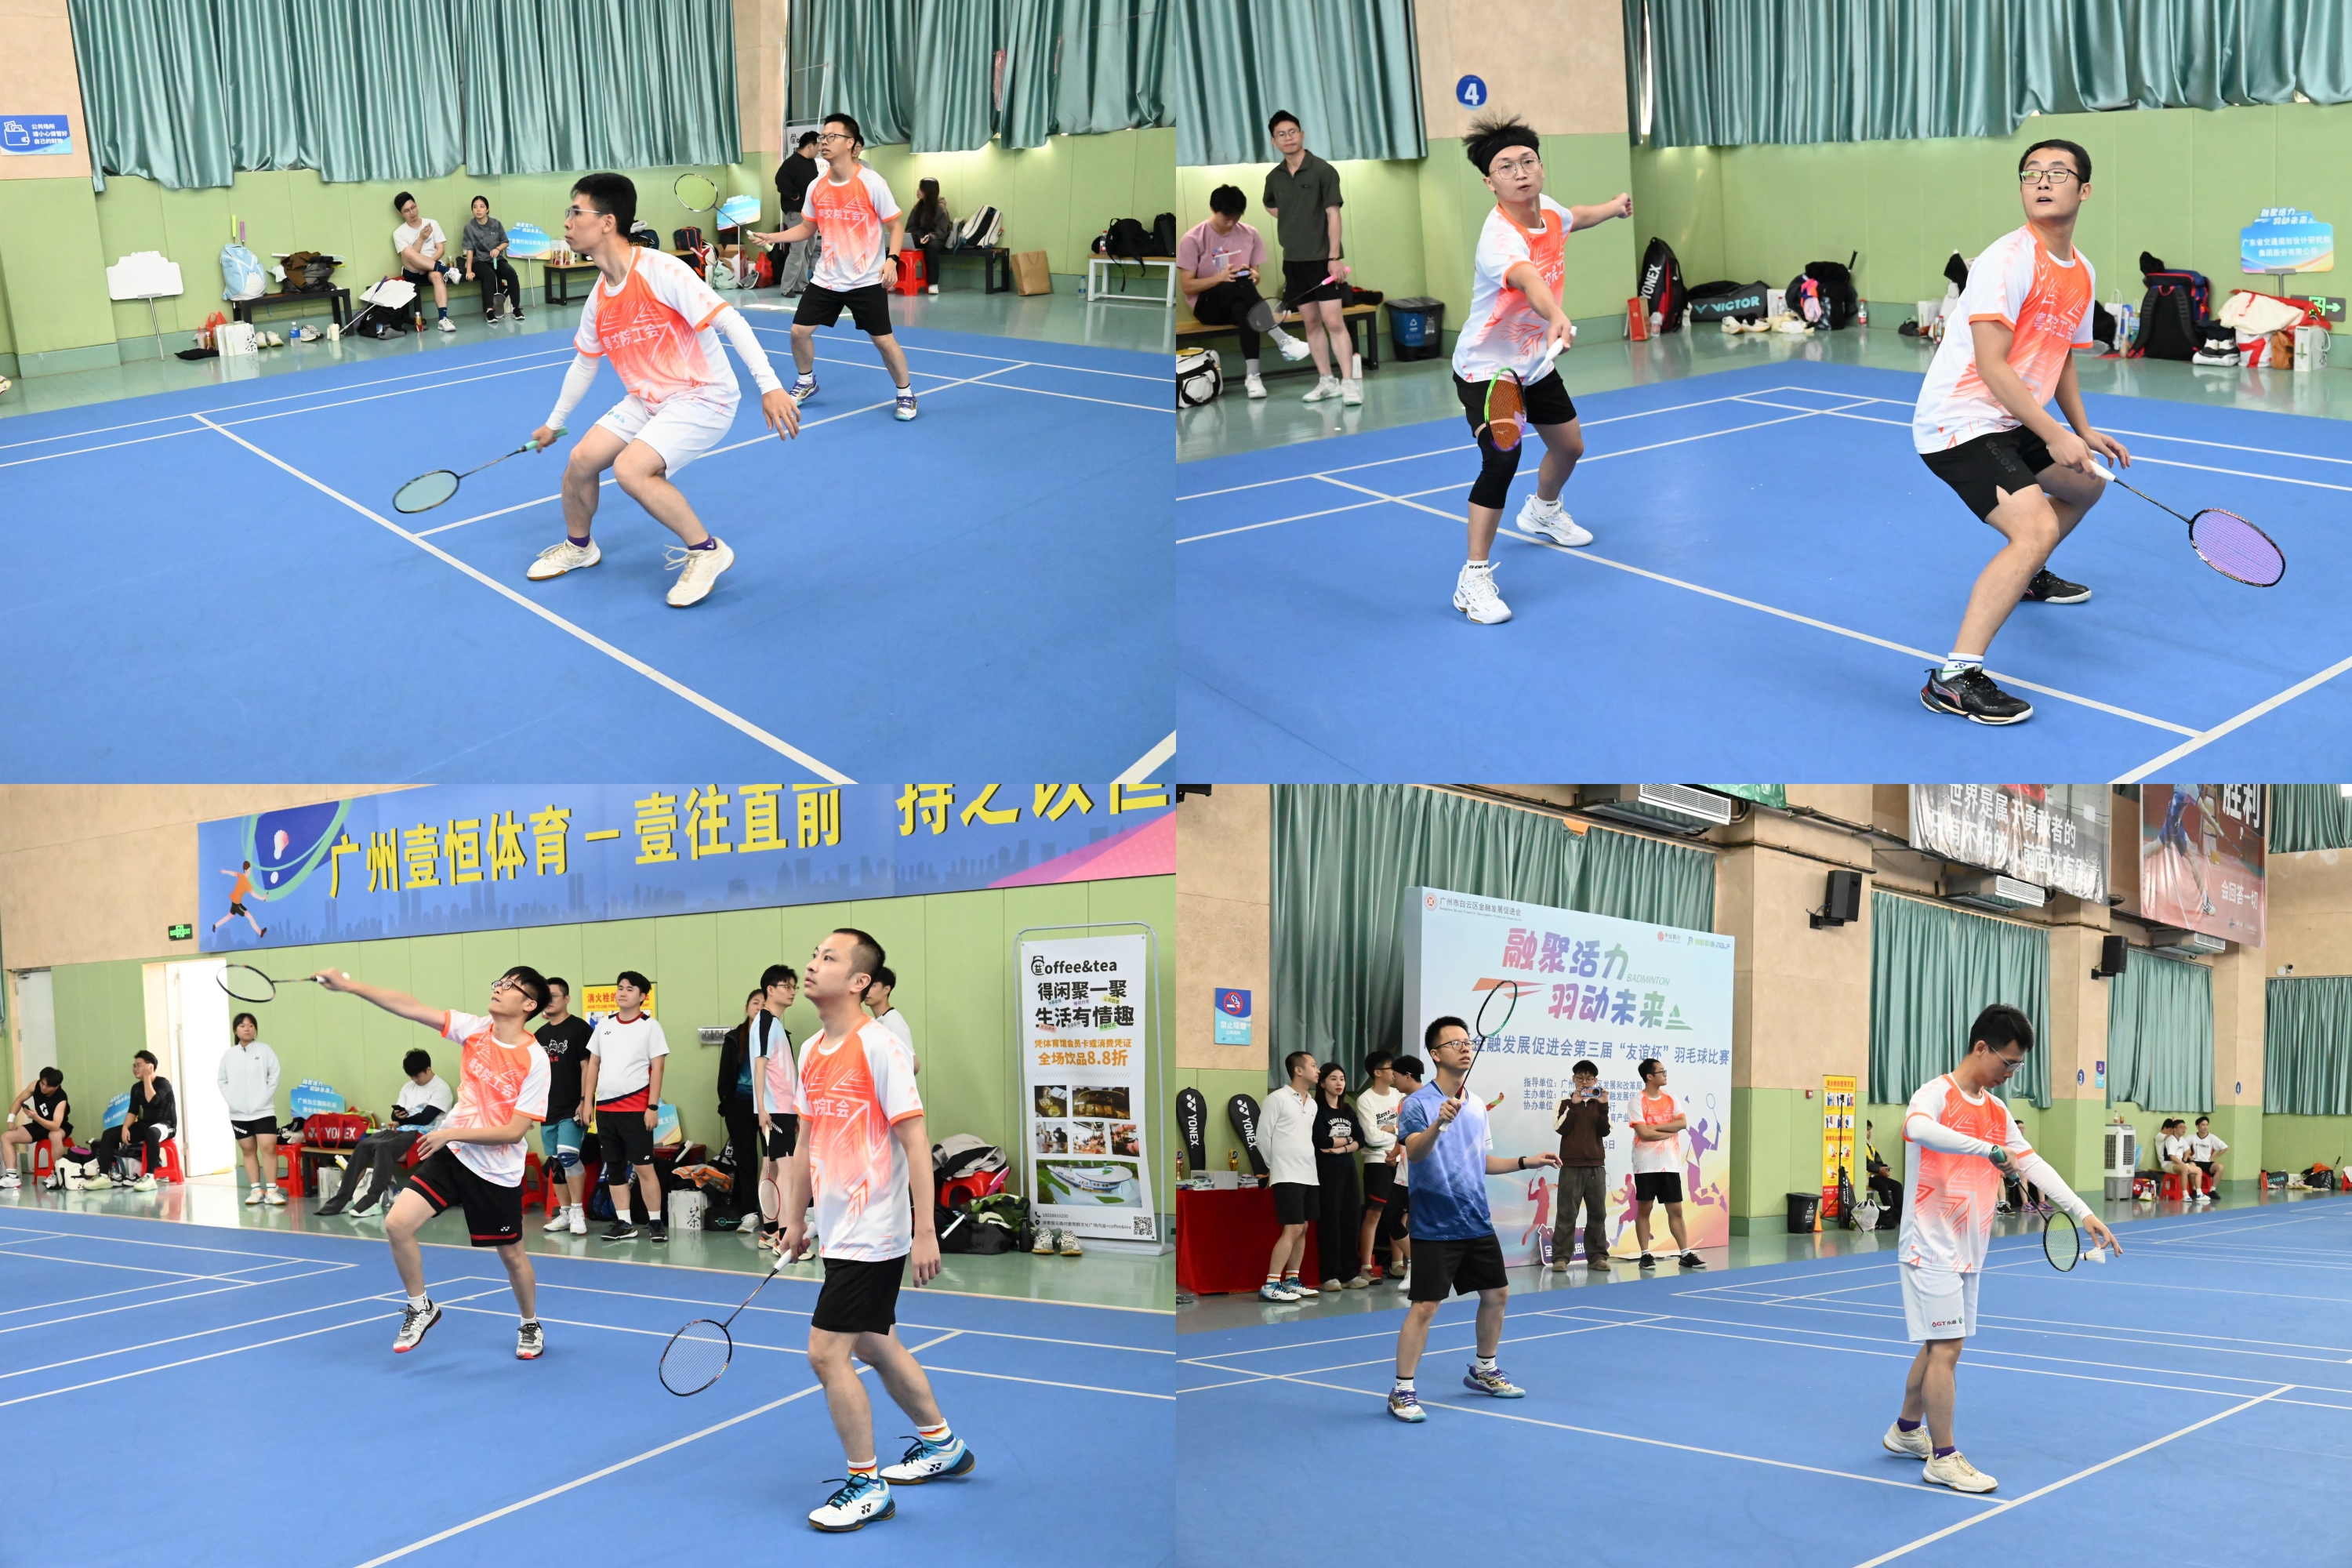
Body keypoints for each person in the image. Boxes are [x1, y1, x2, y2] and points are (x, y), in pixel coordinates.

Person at [1914, 139, 2130, 724]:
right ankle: (1954, 679)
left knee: (2087, 484)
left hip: (2012, 417)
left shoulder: (2080, 270)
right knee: (2034, 527)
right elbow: (1991, 365)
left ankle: (2028, 576)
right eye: (2031, 172)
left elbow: (2061, 354)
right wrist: (2053, 432)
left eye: (2057, 172)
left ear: (2084, 190)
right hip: (1960, 420)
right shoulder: (2006, 261)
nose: (2042, 181)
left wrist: (2082, 430)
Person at [524, 172, 800, 609]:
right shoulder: (599, 296)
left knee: (631, 470)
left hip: (703, 395)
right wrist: (553, 424)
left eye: (575, 212)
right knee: (580, 461)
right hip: (649, 398)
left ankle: (707, 551)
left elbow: (730, 320)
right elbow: (585, 362)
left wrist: (770, 387)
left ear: (607, 222)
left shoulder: (661, 270)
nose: (567, 222)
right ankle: (580, 548)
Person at [775, 928, 972, 1532]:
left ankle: (867, 1485)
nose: (812, 965)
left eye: (828, 958)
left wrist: (925, 1229)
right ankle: (942, 1445)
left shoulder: (881, 1047)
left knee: (825, 1352)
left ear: (860, 981)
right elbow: (806, 1143)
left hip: (875, 1229)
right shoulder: (812, 1049)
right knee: (873, 1342)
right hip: (838, 1228)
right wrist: (796, 1216)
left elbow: (916, 1142)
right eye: (814, 955)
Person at [1884, 1004, 2120, 1492]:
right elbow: (1917, 1129)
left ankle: (1906, 1430)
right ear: (1981, 1047)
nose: (2011, 1073)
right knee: (1947, 1346)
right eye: (2008, 1062)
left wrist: (2083, 1211)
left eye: (2018, 1066)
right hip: (1930, 1243)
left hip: (1971, 1246)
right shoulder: (1935, 1094)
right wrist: (1987, 1149)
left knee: (1940, 1343)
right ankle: (1943, 1458)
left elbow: (2031, 1162)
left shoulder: (1995, 1110)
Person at [1445, 114, 1633, 627]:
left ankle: (1543, 511)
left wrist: (1614, 208)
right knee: (1503, 455)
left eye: (1527, 161)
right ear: (1490, 183)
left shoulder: (1547, 210)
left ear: (1541, 167)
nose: (1520, 171)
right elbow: (1529, 278)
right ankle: (1473, 577)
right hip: (1488, 367)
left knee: (1570, 446)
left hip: (1532, 360)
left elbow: (1575, 216)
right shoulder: (1498, 239)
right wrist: (1555, 315)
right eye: (1505, 167)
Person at [313, 965, 553, 1359]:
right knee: (397, 1223)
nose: (499, 988)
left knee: (512, 1256)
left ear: (529, 1005)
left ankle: (530, 1323)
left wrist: (450, 1132)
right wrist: (350, 986)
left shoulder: (535, 1059)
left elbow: (514, 1131)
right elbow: (410, 1006)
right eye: (499, 981)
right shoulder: (475, 1029)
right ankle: (420, 1306)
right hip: (453, 1155)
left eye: (511, 986)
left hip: (494, 1170)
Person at [1387, 1017, 1561, 1422]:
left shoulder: (1477, 1104)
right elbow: (1416, 1153)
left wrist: (1525, 1161)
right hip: (1435, 1224)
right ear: (1435, 1054)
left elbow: (1480, 1161)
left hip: (1475, 1220)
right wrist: (1439, 1122)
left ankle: (1484, 1369)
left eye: (1468, 1042)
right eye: (1455, 1043)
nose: (1465, 1047)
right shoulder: (1417, 1104)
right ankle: (1402, 1391)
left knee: (1497, 1294)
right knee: (1426, 1306)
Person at [750, 114, 918, 422]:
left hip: (866, 279)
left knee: (883, 341)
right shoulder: (817, 186)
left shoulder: (872, 182)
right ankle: (806, 381)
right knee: (798, 332)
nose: (824, 142)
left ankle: (905, 393)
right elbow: (807, 228)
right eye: (823, 137)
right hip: (826, 278)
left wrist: (892, 260)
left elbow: (895, 226)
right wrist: (771, 237)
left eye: (832, 137)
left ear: (851, 143)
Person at [1261, 111, 1357, 404]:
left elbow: (1334, 214)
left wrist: (1334, 256)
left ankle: (1349, 383)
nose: (1288, 138)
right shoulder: (1274, 177)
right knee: (1311, 323)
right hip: (1293, 262)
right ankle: (1327, 380)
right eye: (1281, 134)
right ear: (1273, 141)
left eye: (1292, 132)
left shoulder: (1323, 170)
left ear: (1302, 135)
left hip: (1323, 260)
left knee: (1334, 321)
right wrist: (1293, 217)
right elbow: (1270, 204)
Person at [1178, 185, 1307, 401]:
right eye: (1226, 218)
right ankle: (1283, 340)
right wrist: (1220, 278)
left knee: (1245, 310)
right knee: (1239, 284)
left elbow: (1256, 276)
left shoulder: (1250, 234)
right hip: (1208, 307)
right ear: (1213, 209)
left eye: (1236, 218)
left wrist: (1255, 276)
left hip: (1239, 300)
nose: (1231, 223)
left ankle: (1253, 377)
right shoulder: (1193, 239)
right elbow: (1187, 287)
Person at [576, 970, 671, 1241]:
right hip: (606, 1111)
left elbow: (658, 1068)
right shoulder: (604, 1026)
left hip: (636, 1110)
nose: (623, 992)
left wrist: (652, 1107)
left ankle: (655, 1222)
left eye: (630, 989)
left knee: (644, 1168)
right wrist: (587, 1102)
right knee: (614, 1168)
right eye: (620, 987)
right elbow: (593, 1065)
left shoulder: (650, 1026)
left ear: (642, 996)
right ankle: (624, 1223)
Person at [314, 1050, 452, 1217]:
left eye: (417, 1075)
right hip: (401, 1131)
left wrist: (401, 1121)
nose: (415, 1080)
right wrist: (398, 1117)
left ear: (428, 1069)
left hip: (424, 1136)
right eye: (411, 1076)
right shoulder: (408, 1087)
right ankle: (343, 1199)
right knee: (364, 1145)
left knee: (384, 1148)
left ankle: (373, 1200)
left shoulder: (441, 1088)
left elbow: (425, 1118)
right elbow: (395, 1116)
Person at [1250, 1050, 1320, 1302]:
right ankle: (1271, 1284)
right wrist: (1275, 1166)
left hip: (1309, 1174)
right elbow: (1262, 1138)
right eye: (1313, 1065)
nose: (1318, 1070)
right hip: (1287, 1173)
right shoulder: (1277, 1099)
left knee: (1303, 1227)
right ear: (1298, 1070)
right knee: (1292, 1228)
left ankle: (1292, 1279)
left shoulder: (1312, 1103)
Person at [535, 977, 594, 1235]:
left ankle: (579, 1212)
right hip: (548, 1108)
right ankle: (566, 1214)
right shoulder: (539, 1035)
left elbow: (587, 1067)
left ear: (567, 999)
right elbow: (534, 1075)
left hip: (573, 1107)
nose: (549, 1001)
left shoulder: (580, 1029)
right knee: (556, 1162)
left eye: (554, 996)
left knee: (569, 1157)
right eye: (545, 997)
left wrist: (585, 1101)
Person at [1629, 1057, 1700, 1269]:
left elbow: (1682, 1123)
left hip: (1670, 1163)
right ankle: (1645, 1255)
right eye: (1661, 1071)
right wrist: (1668, 1131)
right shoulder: (1637, 1101)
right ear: (1649, 1076)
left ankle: (1685, 1254)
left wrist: (1654, 1128)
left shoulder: (1672, 1098)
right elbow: (1643, 1133)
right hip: (1646, 1164)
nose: (1665, 1074)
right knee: (1645, 1207)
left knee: (1676, 1209)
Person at [751, 963, 802, 1251]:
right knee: (786, 1169)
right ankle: (784, 1235)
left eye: (794, 987)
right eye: (787, 986)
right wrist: (762, 1108)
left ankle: (770, 1231)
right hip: (774, 1109)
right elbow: (760, 1066)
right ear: (770, 990)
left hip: (782, 1108)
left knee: (770, 1168)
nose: (792, 991)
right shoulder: (766, 1022)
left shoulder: (775, 1024)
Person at [1550, 1058, 1613, 1272]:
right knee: (1566, 1213)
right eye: (1580, 1078)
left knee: (1598, 1213)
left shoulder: (1600, 1103)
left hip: (1596, 1166)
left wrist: (1603, 1105)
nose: (1584, 1082)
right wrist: (1574, 1105)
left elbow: (1605, 1131)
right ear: (1573, 1079)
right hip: (1570, 1166)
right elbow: (1560, 1128)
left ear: (1595, 1080)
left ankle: (1597, 1257)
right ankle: (1560, 1258)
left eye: (1589, 1078)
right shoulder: (1564, 1102)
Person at [713, 988, 768, 1231]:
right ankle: (749, 1212)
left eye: (764, 1004)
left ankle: (774, 1211)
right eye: (755, 1003)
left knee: (773, 1160)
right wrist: (728, 1104)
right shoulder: (734, 1038)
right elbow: (724, 1076)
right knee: (746, 1160)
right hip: (741, 1106)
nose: (759, 1008)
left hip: (770, 1107)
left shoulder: (776, 1036)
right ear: (747, 1007)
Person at [1310, 1062, 1368, 1290]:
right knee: (1330, 1221)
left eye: (1342, 1079)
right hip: (1326, 1170)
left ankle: (1350, 1273)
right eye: (1333, 1078)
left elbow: (1361, 1139)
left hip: (1348, 1168)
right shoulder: (1317, 1109)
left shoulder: (1347, 1110)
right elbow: (1321, 1141)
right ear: (1323, 1083)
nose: (1339, 1083)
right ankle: (1330, 1275)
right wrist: (1348, 1141)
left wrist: (1341, 1148)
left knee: (1351, 1220)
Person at [220, 1012, 284, 1207]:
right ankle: (256, 1190)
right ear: (235, 1030)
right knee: (248, 1150)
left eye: (250, 1025)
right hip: (239, 1114)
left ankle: (272, 1191)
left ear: (255, 1028)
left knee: (269, 1148)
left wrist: (263, 1099)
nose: (247, 1029)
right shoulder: (229, 1055)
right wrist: (233, 1102)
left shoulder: (265, 1051)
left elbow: (274, 1076)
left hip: (263, 1111)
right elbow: (222, 1080)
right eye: (242, 1026)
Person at [89, 1051, 174, 1189]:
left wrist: (147, 1077)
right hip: (145, 1125)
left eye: (139, 1065)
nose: (135, 1069)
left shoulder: (163, 1083)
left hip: (166, 1125)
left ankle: (149, 1177)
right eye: (134, 1066)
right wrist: (125, 1128)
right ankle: (104, 1176)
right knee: (109, 1134)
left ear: (150, 1066)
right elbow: (132, 1111)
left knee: (152, 1132)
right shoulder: (136, 1088)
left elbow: (152, 1100)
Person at [1353, 1051, 1404, 1279]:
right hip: (1377, 1162)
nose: (1395, 1073)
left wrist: (1393, 1130)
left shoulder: (1399, 1095)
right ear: (1377, 1072)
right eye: (1390, 1068)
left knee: (1399, 1213)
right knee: (1374, 1213)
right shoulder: (1366, 1099)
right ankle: (1366, 1266)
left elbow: (1409, 1129)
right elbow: (1371, 1137)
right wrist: (1398, 1135)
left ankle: (1398, 1263)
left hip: (1401, 1160)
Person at [392, 192, 466, 333]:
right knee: (407, 251)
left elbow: (441, 249)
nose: (412, 212)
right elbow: (410, 257)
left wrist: (427, 265)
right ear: (400, 213)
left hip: (432, 266)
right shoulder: (399, 233)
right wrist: (421, 238)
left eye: (413, 207)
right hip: (412, 269)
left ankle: (443, 320)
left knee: (436, 275)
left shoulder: (432, 224)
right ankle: (448, 271)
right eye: (407, 211)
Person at [1381, 1055, 1424, 1287]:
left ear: (1408, 1076)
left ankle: (1422, 1269)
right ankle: (1416, 1264)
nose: (1393, 1081)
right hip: (1403, 1176)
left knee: (1422, 1224)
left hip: (1423, 1177)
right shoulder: (1403, 1102)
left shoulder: (1428, 1100)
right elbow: (1405, 1136)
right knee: (1391, 1219)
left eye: (1395, 1076)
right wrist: (1396, 1153)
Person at [2, 1067, 71, 1189]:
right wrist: (11, 1119)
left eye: (48, 1086)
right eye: (42, 1083)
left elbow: (55, 1126)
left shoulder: (61, 1099)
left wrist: (36, 1117)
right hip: (39, 1125)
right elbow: (19, 1100)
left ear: (57, 1086)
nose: (43, 1088)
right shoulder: (35, 1085)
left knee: (54, 1136)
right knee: (6, 1137)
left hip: (58, 1126)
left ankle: (57, 1175)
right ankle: (12, 1177)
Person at [772, 129, 822, 296]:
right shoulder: (791, 162)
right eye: (818, 147)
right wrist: (794, 195)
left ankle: (800, 285)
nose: (819, 150)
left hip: (811, 214)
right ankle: (786, 288)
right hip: (797, 214)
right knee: (797, 250)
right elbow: (780, 180)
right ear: (810, 146)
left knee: (808, 250)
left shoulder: (811, 163)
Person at [462, 194, 524, 323]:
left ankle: (516, 308)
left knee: (512, 274)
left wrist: (497, 249)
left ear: (487, 209)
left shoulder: (496, 224)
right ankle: (490, 311)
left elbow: (506, 242)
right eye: (475, 207)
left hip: (497, 259)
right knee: (490, 276)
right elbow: (469, 250)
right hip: (479, 261)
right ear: (472, 210)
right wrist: (469, 270)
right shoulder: (469, 227)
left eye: (482, 207)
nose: (478, 210)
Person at [906, 178, 953, 296]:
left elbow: (942, 231)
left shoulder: (940, 207)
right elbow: (911, 227)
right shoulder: (918, 206)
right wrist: (914, 236)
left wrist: (930, 236)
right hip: (921, 236)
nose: (917, 191)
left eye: (921, 189)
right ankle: (892, 279)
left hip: (938, 238)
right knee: (900, 243)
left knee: (932, 248)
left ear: (928, 191)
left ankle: (933, 284)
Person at [866, 965, 916, 1072]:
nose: (867, 990)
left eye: (873, 985)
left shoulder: (893, 1022)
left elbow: (914, 1065)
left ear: (886, 990)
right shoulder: (878, 1021)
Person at [209, 860, 267, 938]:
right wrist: (262, 898)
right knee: (249, 916)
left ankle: (215, 925)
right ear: (245, 871)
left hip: (235, 902)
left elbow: (234, 873)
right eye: (249, 870)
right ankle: (260, 932)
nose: (250, 872)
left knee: (228, 916)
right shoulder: (246, 882)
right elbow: (253, 894)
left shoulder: (241, 876)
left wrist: (225, 871)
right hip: (237, 904)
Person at [2159, 1118, 2207, 1205]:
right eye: (2181, 1127)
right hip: (2168, 1164)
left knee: (2198, 1170)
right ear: (2174, 1129)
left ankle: (2199, 1194)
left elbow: (2188, 1150)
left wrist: (2184, 1160)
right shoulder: (2170, 1140)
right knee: (2184, 1168)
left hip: (2179, 1164)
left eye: (2185, 1127)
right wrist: (2183, 1164)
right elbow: (2172, 1157)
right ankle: (2185, 1194)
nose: (2184, 1129)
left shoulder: (2182, 1139)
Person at [1864, 1120, 1903, 1213]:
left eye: (1870, 1130)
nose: (1870, 1132)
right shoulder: (1859, 1146)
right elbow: (1866, 1162)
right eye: (1867, 1130)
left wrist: (1884, 1168)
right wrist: (1878, 1169)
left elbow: (1878, 1160)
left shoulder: (1870, 1146)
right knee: (1883, 1186)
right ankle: (1891, 1213)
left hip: (1876, 1176)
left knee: (1897, 1186)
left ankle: (1900, 1213)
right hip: (1867, 1178)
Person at [2190, 1115, 2228, 1196]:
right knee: (2191, 1167)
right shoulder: (2192, 1137)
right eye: (2203, 1125)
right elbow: (2183, 1147)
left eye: (2207, 1125)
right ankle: (2195, 1190)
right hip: (2196, 1161)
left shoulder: (2212, 1137)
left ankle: (2212, 1190)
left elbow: (2225, 1147)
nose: (2205, 1127)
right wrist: (2189, 1157)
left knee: (2220, 1167)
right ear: (2198, 1126)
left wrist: (2214, 1157)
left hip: (2207, 1162)